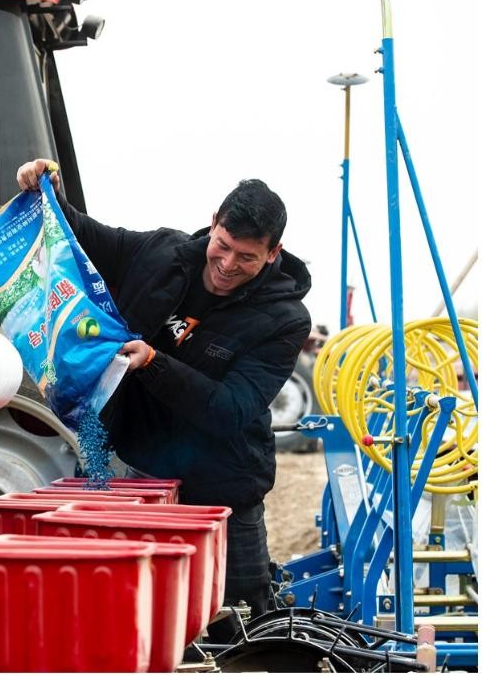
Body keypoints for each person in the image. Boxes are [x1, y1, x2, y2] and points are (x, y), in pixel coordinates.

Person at [17, 159, 312, 619]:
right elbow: (87, 238)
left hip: (219, 491)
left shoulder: (285, 319)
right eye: (223, 246)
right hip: (127, 468)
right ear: (213, 224)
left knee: (236, 624)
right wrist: (49, 192)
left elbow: (231, 410)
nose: (228, 265)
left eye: (247, 257)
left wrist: (154, 363)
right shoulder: (162, 251)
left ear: (273, 253)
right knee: (119, 612)